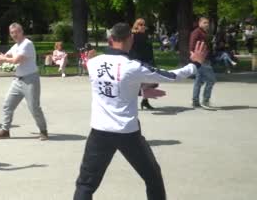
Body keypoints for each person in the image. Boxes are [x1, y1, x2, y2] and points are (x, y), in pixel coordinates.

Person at [73, 23, 207, 200]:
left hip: (99, 132)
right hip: (127, 133)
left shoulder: (93, 63)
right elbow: (172, 76)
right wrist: (195, 64)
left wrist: (140, 92)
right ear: (131, 39)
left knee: (86, 184)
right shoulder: (133, 66)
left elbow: (109, 88)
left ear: (110, 39)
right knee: (152, 177)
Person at [0, 23, 48, 141]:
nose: (14, 35)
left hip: (30, 80)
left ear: (22, 31)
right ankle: (5, 130)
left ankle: (43, 131)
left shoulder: (27, 44)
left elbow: (16, 60)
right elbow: (4, 56)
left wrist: (3, 59)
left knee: (34, 107)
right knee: (7, 105)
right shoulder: (16, 46)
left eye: (16, 32)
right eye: (12, 33)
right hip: (18, 80)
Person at [129, 18, 157, 110]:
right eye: (140, 24)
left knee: (150, 80)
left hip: (147, 60)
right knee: (136, 82)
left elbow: (148, 47)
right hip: (137, 60)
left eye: (143, 24)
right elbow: (130, 48)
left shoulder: (146, 34)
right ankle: (132, 101)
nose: (142, 26)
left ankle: (145, 101)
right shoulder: (133, 35)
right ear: (136, 25)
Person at [190, 17, 217, 108]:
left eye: (208, 23)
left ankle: (195, 101)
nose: (207, 25)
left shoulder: (204, 32)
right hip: (202, 60)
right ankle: (205, 101)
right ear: (199, 23)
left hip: (203, 59)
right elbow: (191, 46)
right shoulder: (197, 32)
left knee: (199, 81)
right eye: (205, 23)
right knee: (211, 79)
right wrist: (194, 57)